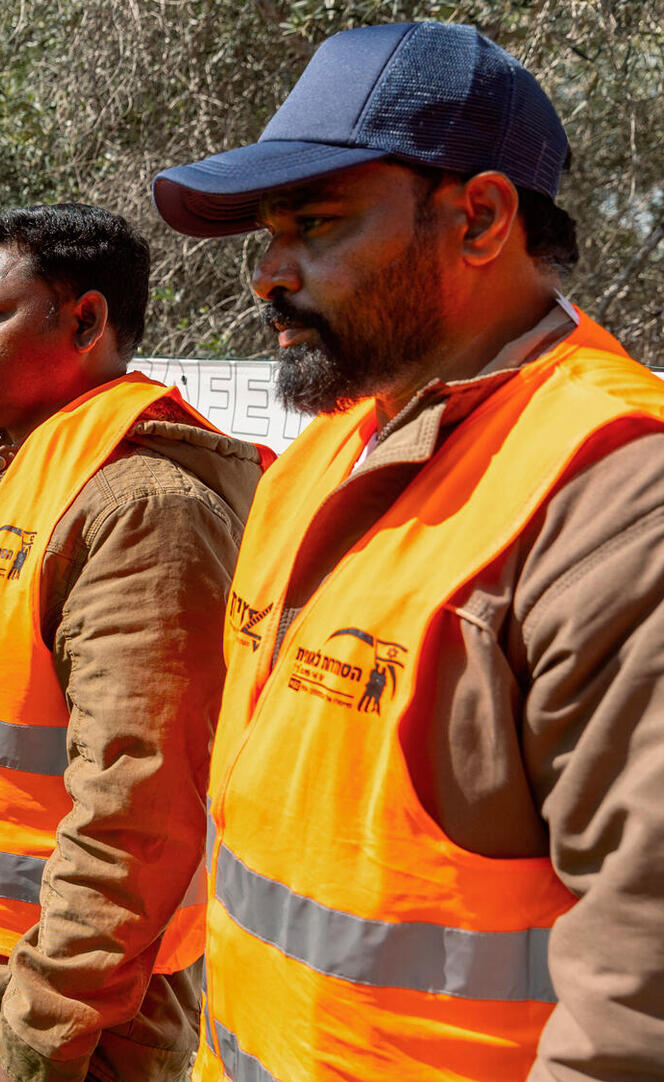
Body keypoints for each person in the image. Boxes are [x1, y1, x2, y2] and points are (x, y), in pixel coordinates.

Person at [152, 21, 664, 1080]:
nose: (268, 274)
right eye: (266, 233)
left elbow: (642, 988)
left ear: (479, 218)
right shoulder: (326, 453)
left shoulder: (617, 493)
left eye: (317, 225)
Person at [0, 205, 263, 1082]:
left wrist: (46, 1022)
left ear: (85, 321)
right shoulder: (15, 471)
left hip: (57, 1015)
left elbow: (137, 803)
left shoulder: (143, 505)